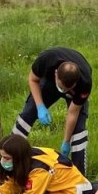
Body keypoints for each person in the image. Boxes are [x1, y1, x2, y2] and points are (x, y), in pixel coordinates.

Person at [12, 47, 92, 175]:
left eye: (67, 89)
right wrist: (40, 106)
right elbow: (33, 79)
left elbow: (73, 112)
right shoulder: (47, 59)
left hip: (74, 89)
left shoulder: (85, 83)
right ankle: (9, 159)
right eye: (61, 87)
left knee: (78, 132)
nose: (64, 91)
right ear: (55, 74)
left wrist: (66, 141)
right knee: (27, 115)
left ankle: (80, 176)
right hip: (49, 84)